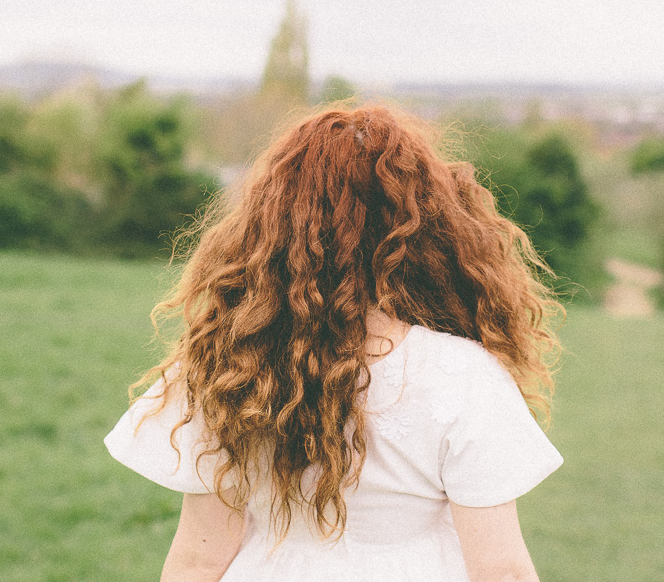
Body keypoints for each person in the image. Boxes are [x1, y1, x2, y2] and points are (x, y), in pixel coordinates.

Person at [105, 104, 564, 581]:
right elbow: (502, 570)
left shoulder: (229, 365)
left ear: (271, 221)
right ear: (419, 227)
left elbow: (201, 558)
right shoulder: (462, 375)